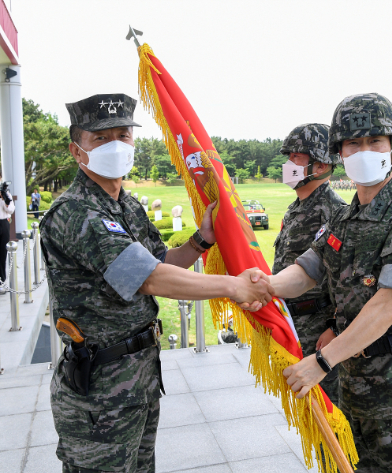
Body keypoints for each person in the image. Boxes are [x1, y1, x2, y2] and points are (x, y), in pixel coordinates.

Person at [40, 93, 273, 473]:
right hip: (99, 392)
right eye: (100, 138)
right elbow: (148, 278)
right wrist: (233, 286)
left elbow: (160, 261)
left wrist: (202, 240)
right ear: (76, 150)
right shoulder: (77, 213)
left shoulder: (125, 206)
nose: (115, 145)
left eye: (123, 135)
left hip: (139, 380)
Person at [271, 93, 392, 472]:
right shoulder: (344, 219)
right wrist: (264, 286)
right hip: (355, 389)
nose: (363, 151)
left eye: (375, 142)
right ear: (340, 152)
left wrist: (322, 361)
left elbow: (389, 305)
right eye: (353, 143)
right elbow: (306, 271)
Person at [273, 123, 347, 405]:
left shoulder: (334, 212)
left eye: (295, 158)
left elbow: (346, 281)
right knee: (307, 416)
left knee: (328, 414)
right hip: (294, 324)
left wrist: (335, 328)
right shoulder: (297, 207)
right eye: (288, 157)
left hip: (319, 331)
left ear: (319, 166)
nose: (288, 164)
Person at [0, 179, 15, 294]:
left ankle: (2, 281)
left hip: (3, 223)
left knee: (2, 253)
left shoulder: (5, 192)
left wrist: (4, 199)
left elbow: (10, 210)